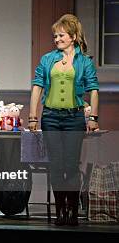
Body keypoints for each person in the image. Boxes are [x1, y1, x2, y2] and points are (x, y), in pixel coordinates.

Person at [28, 14, 99, 226]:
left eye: (61, 35)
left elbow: (93, 90)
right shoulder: (47, 59)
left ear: (73, 37)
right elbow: (37, 87)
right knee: (56, 165)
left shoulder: (84, 61)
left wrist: (93, 117)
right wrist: (33, 116)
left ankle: (72, 211)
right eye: (55, 36)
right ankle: (60, 211)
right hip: (50, 117)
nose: (57, 39)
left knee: (71, 164)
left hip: (74, 118)